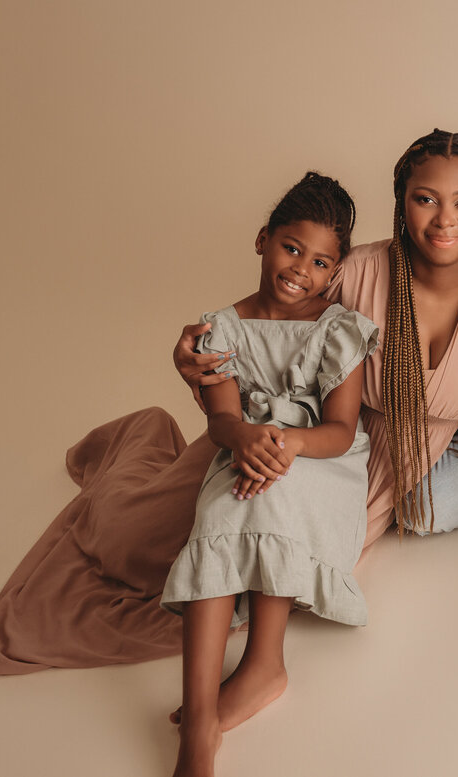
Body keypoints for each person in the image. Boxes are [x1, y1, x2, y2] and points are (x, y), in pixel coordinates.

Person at [174, 130, 458, 577]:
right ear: (401, 202)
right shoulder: (358, 272)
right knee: (224, 535)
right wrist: (202, 351)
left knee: (399, 522)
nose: (444, 221)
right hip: (345, 442)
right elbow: (280, 327)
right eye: (426, 199)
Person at [161, 172, 378, 776]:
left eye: (319, 262)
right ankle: (200, 721)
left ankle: (263, 664)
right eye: (291, 248)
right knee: (224, 506)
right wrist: (248, 438)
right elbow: (221, 422)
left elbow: (339, 430)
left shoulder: (338, 330)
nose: (300, 269)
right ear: (263, 239)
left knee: (274, 495)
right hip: (246, 450)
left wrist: (287, 444)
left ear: (333, 272)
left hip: (318, 460)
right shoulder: (221, 330)